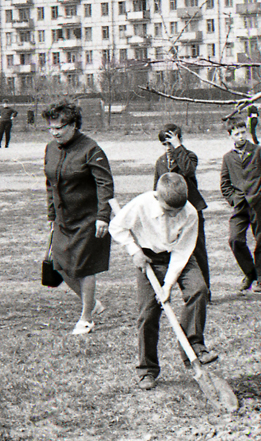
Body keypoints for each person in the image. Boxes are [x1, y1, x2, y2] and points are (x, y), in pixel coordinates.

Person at [109, 172, 218, 391]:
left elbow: (182, 250)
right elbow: (117, 228)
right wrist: (134, 252)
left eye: (177, 211)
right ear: (157, 198)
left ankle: (194, 346)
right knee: (148, 313)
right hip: (149, 257)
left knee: (198, 289)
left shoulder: (190, 213)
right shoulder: (141, 204)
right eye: (169, 211)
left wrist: (168, 285)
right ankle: (146, 370)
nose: (173, 215)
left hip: (179, 256)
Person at [43, 100, 114, 335]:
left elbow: (105, 184)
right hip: (64, 218)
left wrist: (103, 216)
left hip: (89, 219)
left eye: (59, 128)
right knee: (60, 265)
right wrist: (52, 213)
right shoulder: (50, 149)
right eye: (51, 128)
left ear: (73, 125)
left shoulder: (91, 149)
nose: (54, 133)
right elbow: (50, 182)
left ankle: (86, 318)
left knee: (84, 268)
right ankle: (92, 303)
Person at [220, 114, 261, 294]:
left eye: (243, 132)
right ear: (230, 136)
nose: (241, 137)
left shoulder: (259, 151)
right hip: (240, 206)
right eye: (236, 134)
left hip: (259, 204)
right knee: (235, 240)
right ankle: (250, 272)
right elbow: (224, 184)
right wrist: (233, 199)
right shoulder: (228, 158)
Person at [154, 123, 209, 291]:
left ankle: (204, 291)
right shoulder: (161, 162)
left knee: (198, 251)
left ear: (179, 140)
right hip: (171, 211)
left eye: (171, 142)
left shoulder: (188, 156)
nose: (168, 147)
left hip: (191, 209)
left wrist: (179, 147)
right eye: (165, 144)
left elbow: (189, 170)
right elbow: (157, 187)